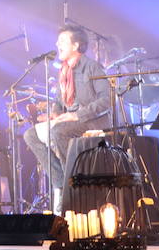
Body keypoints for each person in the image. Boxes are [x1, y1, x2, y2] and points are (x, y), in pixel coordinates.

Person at [22, 25, 111, 213]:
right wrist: (54, 113)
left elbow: (106, 100)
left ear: (76, 45)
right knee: (30, 135)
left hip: (91, 121)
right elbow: (59, 102)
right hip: (70, 121)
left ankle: (72, 183)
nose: (57, 44)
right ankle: (60, 181)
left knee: (58, 131)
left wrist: (76, 115)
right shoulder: (64, 71)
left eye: (62, 41)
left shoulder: (92, 67)